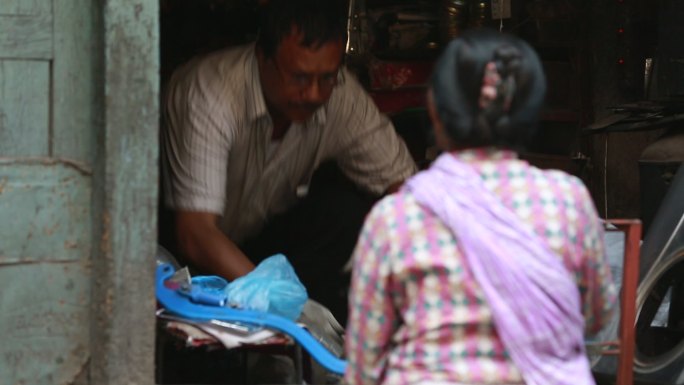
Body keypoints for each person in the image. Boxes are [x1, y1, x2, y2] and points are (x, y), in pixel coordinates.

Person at [345, 29, 617, 385]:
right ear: (531, 112)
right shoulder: (569, 201)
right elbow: (597, 318)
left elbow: (364, 363)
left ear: (435, 109)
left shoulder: (394, 218)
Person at [161, 0, 416, 323]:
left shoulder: (340, 95)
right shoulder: (211, 94)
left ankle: (323, 352)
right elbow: (194, 234)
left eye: (326, 78)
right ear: (262, 59)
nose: (312, 94)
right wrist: (279, 306)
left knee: (344, 215)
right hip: (180, 254)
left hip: (258, 241)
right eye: (298, 78)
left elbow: (406, 191)